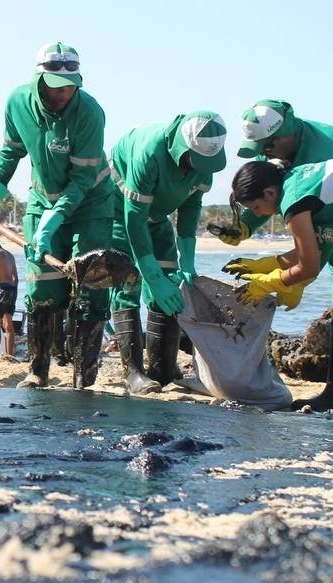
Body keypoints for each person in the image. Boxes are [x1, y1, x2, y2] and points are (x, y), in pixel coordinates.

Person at [0, 42, 113, 389]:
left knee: (91, 283)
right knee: (43, 288)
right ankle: (38, 370)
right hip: (43, 199)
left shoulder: (89, 112)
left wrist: (54, 221)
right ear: (38, 80)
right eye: (56, 87)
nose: (64, 94)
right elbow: (9, 154)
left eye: (70, 87)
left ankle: (84, 377)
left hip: (90, 203)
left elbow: (81, 180)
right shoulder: (17, 102)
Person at [221, 100, 333, 412]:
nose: (264, 153)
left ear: (287, 134)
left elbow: (316, 244)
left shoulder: (322, 154)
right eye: (258, 149)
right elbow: (269, 191)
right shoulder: (280, 156)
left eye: (267, 146)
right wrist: (246, 226)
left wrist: (289, 280)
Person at [108, 111, 228, 394]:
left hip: (158, 215)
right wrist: (152, 277)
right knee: (129, 282)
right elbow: (134, 221)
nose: (196, 168)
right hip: (120, 210)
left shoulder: (206, 159)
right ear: (183, 147)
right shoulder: (149, 153)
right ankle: (133, 372)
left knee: (170, 280)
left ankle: (162, 368)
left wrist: (187, 259)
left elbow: (190, 207)